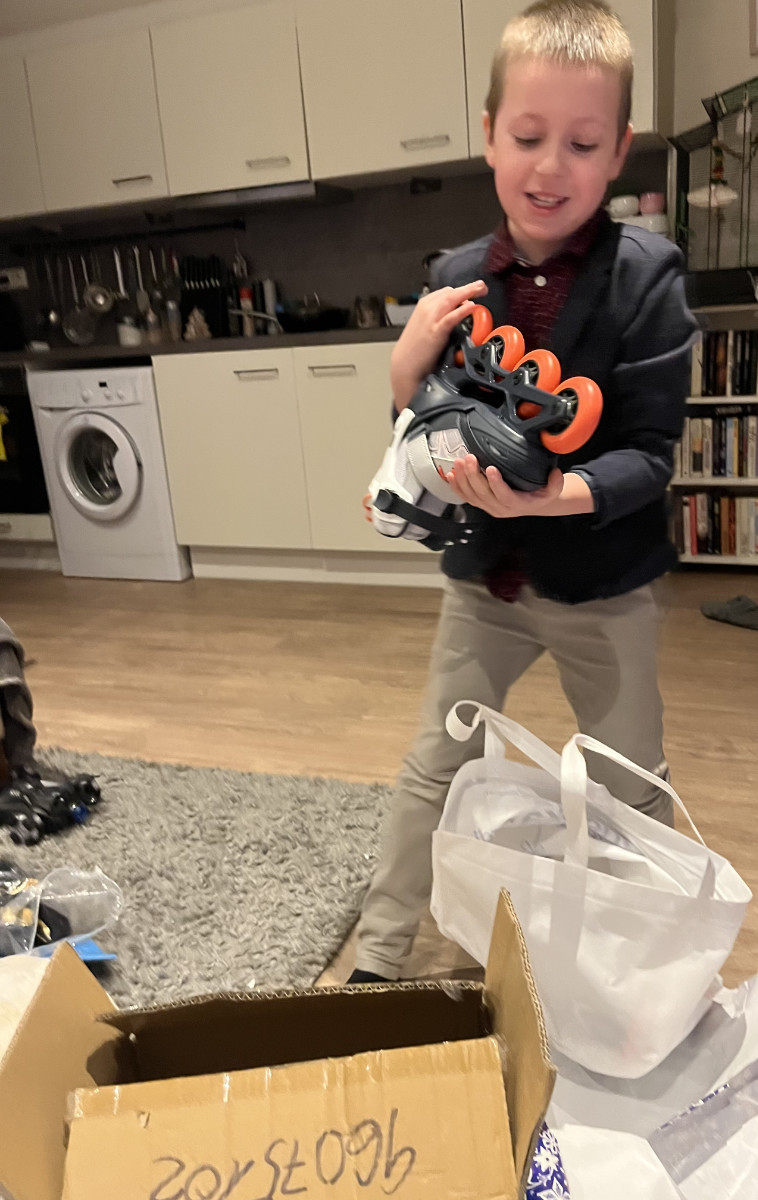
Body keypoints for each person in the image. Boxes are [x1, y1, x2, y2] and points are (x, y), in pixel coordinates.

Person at [349, 0, 697, 984]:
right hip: (485, 582)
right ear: (489, 135)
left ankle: (646, 967)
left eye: (581, 144)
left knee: (630, 782)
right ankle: (376, 958)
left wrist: (556, 499)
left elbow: (650, 455)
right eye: (528, 136)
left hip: (605, 585)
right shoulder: (453, 277)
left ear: (618, 150)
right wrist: (401, 380)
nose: (550, 167)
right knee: (435, 763)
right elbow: (426, 426)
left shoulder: (647, 276)